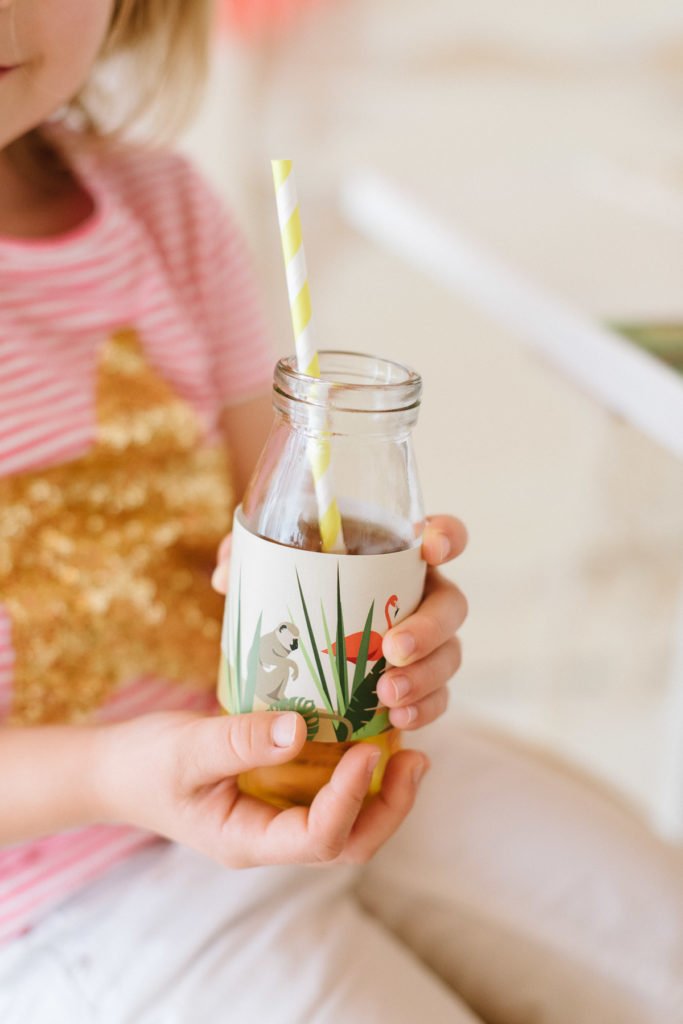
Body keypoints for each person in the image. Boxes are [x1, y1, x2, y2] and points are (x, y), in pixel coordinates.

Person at [0, 2, 478, 1019]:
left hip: (308, 757)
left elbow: (268, 534)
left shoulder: (163, 210)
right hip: (72, 900)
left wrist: (372, 601)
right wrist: (114, 772)